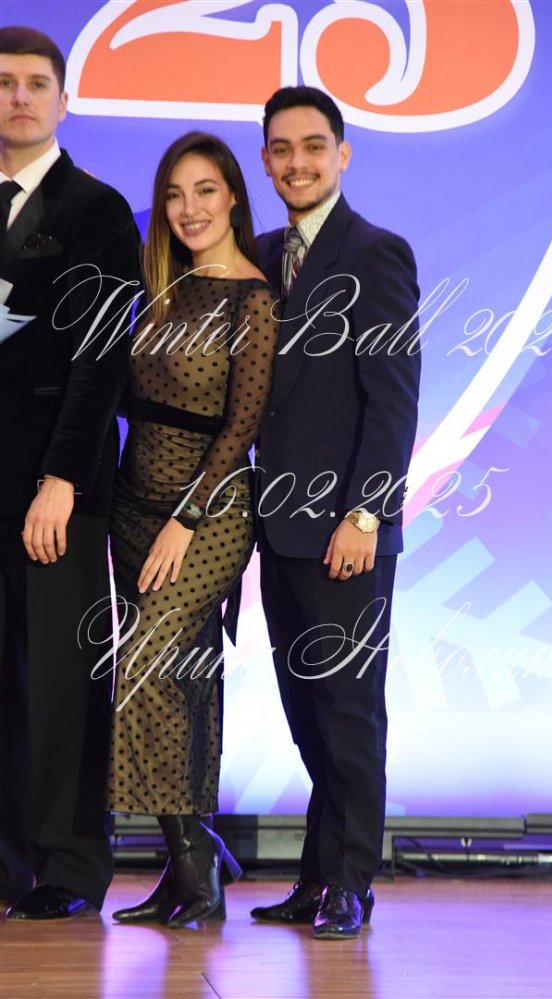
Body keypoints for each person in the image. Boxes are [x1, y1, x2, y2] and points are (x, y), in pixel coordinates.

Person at [251, 86, 421, 939]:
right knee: (306, 713)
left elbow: (393, 398)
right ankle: (318, 877)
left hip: (347, 532)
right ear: (265, 159)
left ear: (343, 154)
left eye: (313, 146)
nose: (298, 162)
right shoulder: (259, 255)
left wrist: (365, 514)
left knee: (351, 713)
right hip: (277, 528)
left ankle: (352, 884)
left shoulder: (376, 252)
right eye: (282, 149)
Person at [107, 131, 279, 928]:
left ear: (234, 196)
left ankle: (197, 862)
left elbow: (242, 426)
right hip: (132, 503)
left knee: (145, 668)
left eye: (205, 190)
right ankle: (187, 869)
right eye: (174, 194)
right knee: (183, 680)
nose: (189, 208)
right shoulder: (161, 289)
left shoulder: (254, 299)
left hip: (208, 512)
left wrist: (185, 516)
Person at [0, 27, 142, 919]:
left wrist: (62, 480)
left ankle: (70, 863)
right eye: (2, 83)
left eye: (34, 83)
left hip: (58, 486)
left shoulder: (96, 209)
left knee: (61, 679)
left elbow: (100, 360)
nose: (17, 97)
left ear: (64, 100)